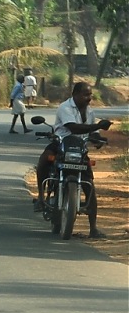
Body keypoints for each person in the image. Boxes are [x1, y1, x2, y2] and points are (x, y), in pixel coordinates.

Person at [33, 82, 112, 238]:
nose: (89, 98)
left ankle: (93, 228)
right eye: (85, 95)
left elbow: (89, 133)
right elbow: (73, 128)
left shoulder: (89, 111)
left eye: (90, 95)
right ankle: (41, 198)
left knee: (89, 184)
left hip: (79, 148)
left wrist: (98, 139)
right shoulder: (65, 107)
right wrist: (97, 127)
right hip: (61, 143)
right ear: (75, 94)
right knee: (43, 161)